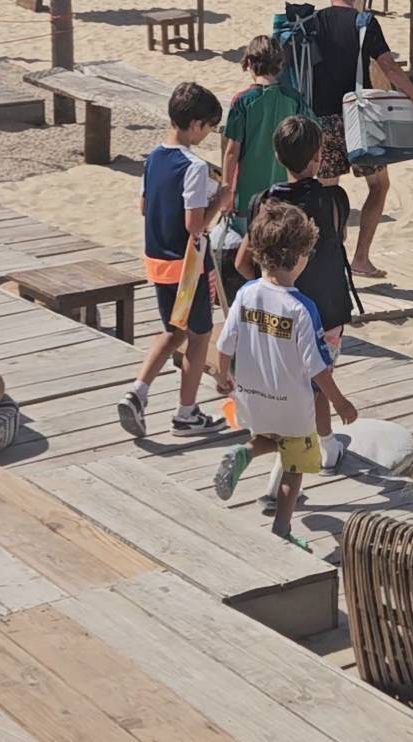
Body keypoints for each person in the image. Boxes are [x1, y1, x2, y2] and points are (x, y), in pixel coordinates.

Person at [213, 202, 357, 547]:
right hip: (292, 403)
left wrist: (222, 377)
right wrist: (339, 402)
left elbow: (225, 343)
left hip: (252, 396)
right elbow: (316, 366)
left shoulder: (246, 294)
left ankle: (243, 452)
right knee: (296, 463)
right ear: (300, 257)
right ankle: (282, 527)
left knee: (271, 438)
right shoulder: (301, 308)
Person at [236, 115, 354, 506]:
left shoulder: (263, 202)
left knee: (291, 388)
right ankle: (304, 464)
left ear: (277, 155)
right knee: (316, 384)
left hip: (276, 312)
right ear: (318, 156)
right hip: (325, 310)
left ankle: (324, 445)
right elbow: (338, 242)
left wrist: (267, 290)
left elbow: (241, 262)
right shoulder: (334, 200)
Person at [117, 82, 232, 440]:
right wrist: (220, 202)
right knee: (198, 336)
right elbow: (194, 225)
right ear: (196, 124)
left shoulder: (153, 157)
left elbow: (143, 206)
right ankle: (186, 414)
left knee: (172, 330)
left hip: (157, 260)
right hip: (188, 267)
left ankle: (137, 391)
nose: (208, 134)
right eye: (209, 127)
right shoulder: (194, 166)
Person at [311, 0, 413, 278]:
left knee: (326, 191)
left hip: (323, 119)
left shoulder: (314, 21)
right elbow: (389, 67)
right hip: (360, 119)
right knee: (379, 185)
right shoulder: (365, 22)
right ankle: (361, 258)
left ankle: (327, 260)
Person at [218, 36, 315, 305]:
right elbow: (312, 134)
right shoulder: (293, 98)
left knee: (247, 258)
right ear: (280, 64)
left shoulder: (243, 101)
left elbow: (231, 151)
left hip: (248, 195)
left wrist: (227, 189)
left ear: (249, 63)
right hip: (285, 194)